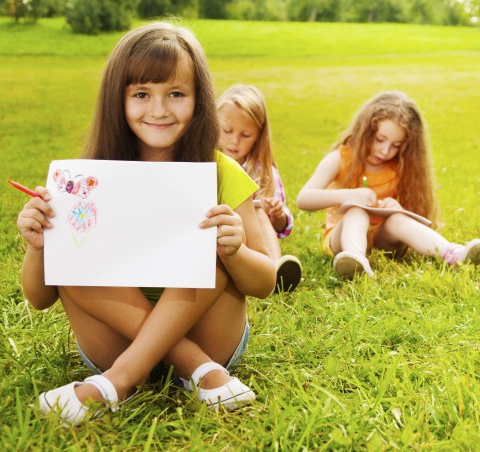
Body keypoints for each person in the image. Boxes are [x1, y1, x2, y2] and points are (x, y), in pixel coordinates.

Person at [16, 22, 276, 426]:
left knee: (211, 241)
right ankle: (194, 367)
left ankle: (115, 383)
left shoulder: (220, 172)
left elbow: (264, 282)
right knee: (76, 248)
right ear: (116, 101)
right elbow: (39, 297)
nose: (158, 109)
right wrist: (40, 245)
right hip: (120, 343)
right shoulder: (90, 179)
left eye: (176, 94)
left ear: (199, 100)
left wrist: (236, 251)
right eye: (141, 94)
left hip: (211, 334)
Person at [296, 90, 480, 279]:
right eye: (380, 140)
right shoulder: (340, 159)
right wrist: (348, 196)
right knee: (356, 212)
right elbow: (304, 199)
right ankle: (356, 261)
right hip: (341, 238)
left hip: (382, 238)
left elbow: (411, 211)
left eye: (396, 145)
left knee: (397, 219)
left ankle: (453, 254)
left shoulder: (398, 166)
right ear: (365, 131)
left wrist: (396, 208)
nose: (385, 151)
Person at [217, 84, 302, 293]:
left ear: (258, 136)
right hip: (220, 231)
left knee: (258, 208)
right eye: (227, 130)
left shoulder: (261, 170)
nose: (234, 140)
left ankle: (275, 267)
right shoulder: (206, 160)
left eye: (245, 135)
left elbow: (281, 227)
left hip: (251, 241)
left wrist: (277, 213)